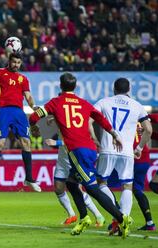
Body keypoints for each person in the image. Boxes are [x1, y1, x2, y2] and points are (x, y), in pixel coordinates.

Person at [29, 72, 131, 238]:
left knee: (92, 189)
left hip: (77, 152)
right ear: (75, 87)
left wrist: (34, 127)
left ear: (60, 86)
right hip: (89, 149)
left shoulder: (55, 102)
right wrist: (114, 135)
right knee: (71, 182)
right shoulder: (84, 103)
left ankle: (121, 218)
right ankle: (84, 218)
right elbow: (101, 119)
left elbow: (34, 116)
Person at [90, 78, 152, 234]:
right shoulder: (137, 105)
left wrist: (95, 139)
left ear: (114, 89)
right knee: (127, 186)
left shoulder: (104, 102)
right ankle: (124, 218)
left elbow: (89, 120)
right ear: (129, 89)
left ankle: (118, 217)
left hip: (107, 148)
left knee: (101, 182)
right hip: (127, 152)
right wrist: (139, 147)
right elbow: (149, 130)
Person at [0, 53, 40, 192]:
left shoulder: (23, 78)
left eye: (18, 62)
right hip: (4, 110)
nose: (16, 65)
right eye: (14, 62)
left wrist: (33, 106)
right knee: (0, 143)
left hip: (19, 112)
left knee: (26, 143)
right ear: (9, 61)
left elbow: (28, 95)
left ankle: (29, 179)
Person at [44, 117, 105, 227]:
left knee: (79, 190)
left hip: (75, 159)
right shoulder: (62, 117)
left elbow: (75, 141)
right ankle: (71, 214)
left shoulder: (76, 126)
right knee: (58, 188)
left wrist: (56, 142)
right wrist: (53, 118)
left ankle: (98, 215)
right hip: (62, 160)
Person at [107, 123, 156, 231]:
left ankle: (119, 217)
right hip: (144, 155)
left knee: (103, 184)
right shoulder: (141, 119)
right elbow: (148, 129)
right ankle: (150, 222)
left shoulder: (124, 118)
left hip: (128, 155)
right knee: (136, 189)